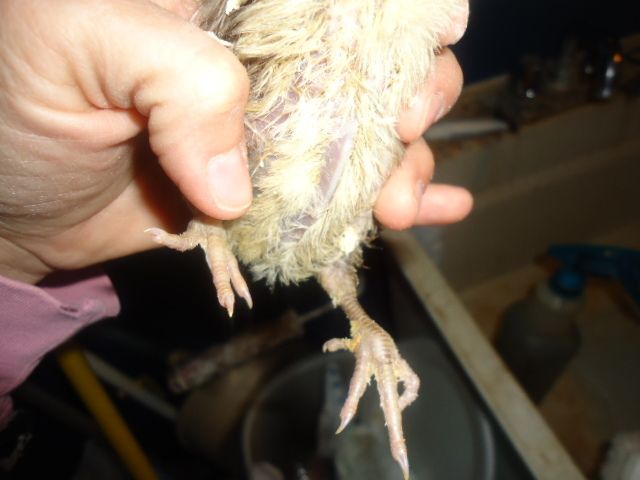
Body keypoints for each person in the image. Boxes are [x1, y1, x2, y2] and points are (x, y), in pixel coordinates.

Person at [0, 0, 472, 447]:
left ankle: (367, 330)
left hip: (312, 225)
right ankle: (213, 223)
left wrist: (16, 248)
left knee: (340, 250)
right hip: (231, 198)